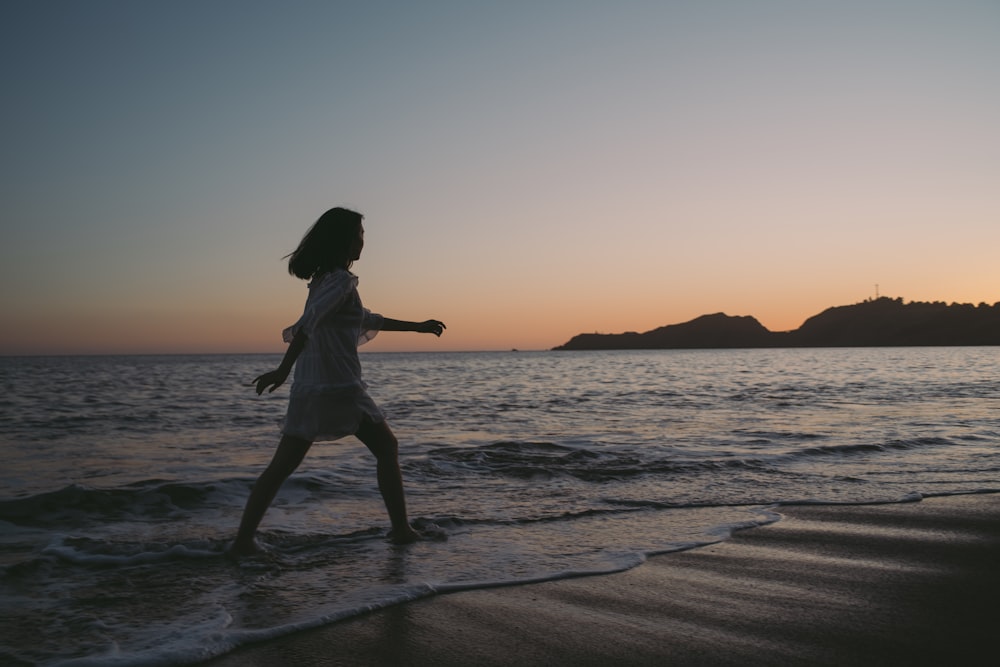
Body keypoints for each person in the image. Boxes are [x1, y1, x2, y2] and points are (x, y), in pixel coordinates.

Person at [229, 207, 445, 557]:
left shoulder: (324, 281)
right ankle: (402, 531)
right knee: (387, 449)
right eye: (360, 234)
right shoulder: (341, 282)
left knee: (281, 467)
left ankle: (242, 542)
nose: (363, 241)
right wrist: (282, 370)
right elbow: (308, 324)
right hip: (340, 388)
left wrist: (416, 326)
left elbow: (363, 318)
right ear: (343, 240)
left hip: (311, 389)